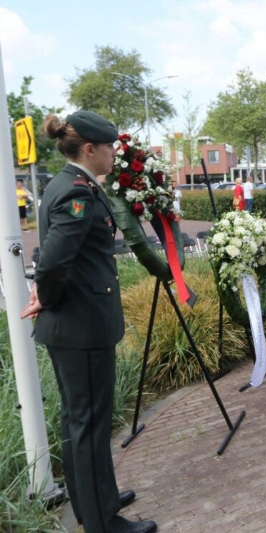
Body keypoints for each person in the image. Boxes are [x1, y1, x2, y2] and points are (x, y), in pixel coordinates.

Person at [20, 111, 157, 533]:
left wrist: (49, 297)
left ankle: (96, 499)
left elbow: (60, 260)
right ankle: (103, 522)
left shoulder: (73, 186)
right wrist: (47, 298)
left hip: (78, 325)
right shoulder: (75, 193)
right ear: (90, 149)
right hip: (81, 327)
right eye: (111, 146)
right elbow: (54, 261)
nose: (116, 152)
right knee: (88, 423)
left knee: (80, 420)